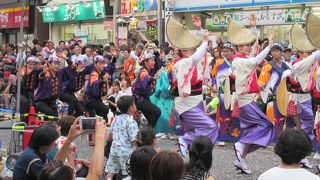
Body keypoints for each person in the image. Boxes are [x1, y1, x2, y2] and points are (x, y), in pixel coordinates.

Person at [166, 16, 218, 157]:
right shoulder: (182, 63)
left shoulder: (188, 62)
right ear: (183, 50)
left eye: (193, 48)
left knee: (197, 129)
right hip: (187, 104)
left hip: (194, 102)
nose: (192, 50)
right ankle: (186, 141)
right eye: (189, 48)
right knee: (210, 127)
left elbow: (200, 57)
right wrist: (205, 41)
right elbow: (197, 57)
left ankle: (195, 155)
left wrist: (199, 30)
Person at [228, 16, 275, 174]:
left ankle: (241, 159)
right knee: (266, 125)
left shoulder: (243, 58)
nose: (249, 47)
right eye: (246, 45)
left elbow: (254, 54)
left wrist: (253, 28)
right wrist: (269, 46)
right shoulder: (238, 61)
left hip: (247, 100)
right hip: (245, 101)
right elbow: (256, 59)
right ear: (239, 47)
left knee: (251, 130)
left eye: (249, 44)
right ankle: (240, 146)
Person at [281, 23, 320, 169]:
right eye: (305, 52)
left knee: (307, 128)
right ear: (300, 53)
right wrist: (316, 53)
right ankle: (301, 155)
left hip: (308, 99)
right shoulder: (297, 63)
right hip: (299, 101)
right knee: (306, 127)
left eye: (309, 52)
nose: (307, 54)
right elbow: (307, 63)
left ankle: (302, 155)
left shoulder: (312, 61)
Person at [258, 43, 291, 138]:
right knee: (273, 117)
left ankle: (281, 137)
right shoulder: (268, 66)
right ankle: (272, 137)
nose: (275, 53)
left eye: (278, 51)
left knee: (283, 118)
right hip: (272, 95)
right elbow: (261, 83)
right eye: (273, 51)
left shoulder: (286, 66)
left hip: (284, 95)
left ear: (281, 53)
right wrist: (261, 87)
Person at [105, 96, 139, 179]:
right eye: (134, 104)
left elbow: (111, 132)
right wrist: (139, 149)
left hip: (114, 149)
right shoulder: (131, 121)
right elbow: (134, 139)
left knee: (111, 172)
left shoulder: (116, 118)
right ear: (131, 107)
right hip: (126, 151)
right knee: (128, 173)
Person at [132, 45, 161, 127]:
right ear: (145, 62)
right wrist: (153, 78)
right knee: (157, 112)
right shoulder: (143, 72)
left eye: (154, 60)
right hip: (139, 100)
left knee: (151, 117)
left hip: (143, 99)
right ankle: (148, 132)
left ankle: (147, 133)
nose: (154, 62)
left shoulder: (145, 70)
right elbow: (145, 77)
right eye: (152, 60)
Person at [150, 54, 176, 139]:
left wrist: (157, 93)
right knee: (169, 113)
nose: (168, 62)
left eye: (169, 61)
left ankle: (163, 131)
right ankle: (170, 132)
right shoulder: (174, 70)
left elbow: (158, 85)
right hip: (171, 94)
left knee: (164, 113)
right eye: (168, 61)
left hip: (163, 95)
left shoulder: (162, 72)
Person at [85, 55, 110, 120]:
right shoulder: (94, 74)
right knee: (105, 109)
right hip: (91, 100)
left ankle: (100, 123)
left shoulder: (101, 73)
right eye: (100, 63)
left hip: (96, 99)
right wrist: (103, 80)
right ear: (95, 64)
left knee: (105, 117)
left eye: (103, 63)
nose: (102, 65)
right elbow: (95, 85)